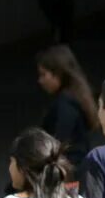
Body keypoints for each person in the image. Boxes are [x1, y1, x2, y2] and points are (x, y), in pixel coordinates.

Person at [35, 44, 98, 174]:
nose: (40, 80)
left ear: (57, 74)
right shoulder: (76, 98)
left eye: (43, 74)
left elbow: (58, 143)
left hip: (68, 176)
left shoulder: (66, 106)